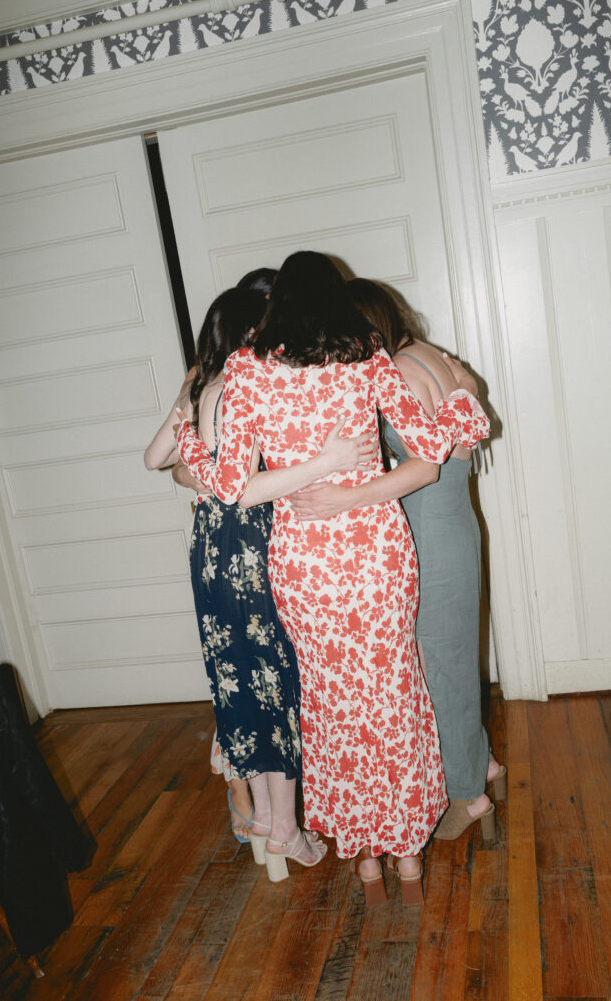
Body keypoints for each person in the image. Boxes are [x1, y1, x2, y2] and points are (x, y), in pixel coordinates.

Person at [175, 252, 490, 903]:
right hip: (376, 554)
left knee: (329, 704)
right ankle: (408, 855)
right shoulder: (369, 361)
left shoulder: (248, 373)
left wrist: (195, 448)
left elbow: (235, 489)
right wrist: (360, 484)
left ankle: (366, 860)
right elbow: (430, 460)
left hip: (304, 563)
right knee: (395, 695)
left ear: (278, 307)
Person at [144, 286, 373, 875]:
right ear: (251, 333)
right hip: (252, 544)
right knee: (278, 681)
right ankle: (286, 829)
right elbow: (244, 486)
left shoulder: (203, 386)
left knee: (240, 681)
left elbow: (155, 458)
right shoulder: (249, 384)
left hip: (209, 549)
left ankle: (270, 819)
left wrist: (189, 423)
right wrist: (326, 463)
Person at [290, 278, 506, 842]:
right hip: (452, 525)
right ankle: (482, 766)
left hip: (429, 533)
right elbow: (466, 418)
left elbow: (423, 467)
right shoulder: (430, 357)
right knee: (453, 660)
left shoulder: (401, 371)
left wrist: (343, 498)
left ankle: (469, 796)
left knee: (440, 672)